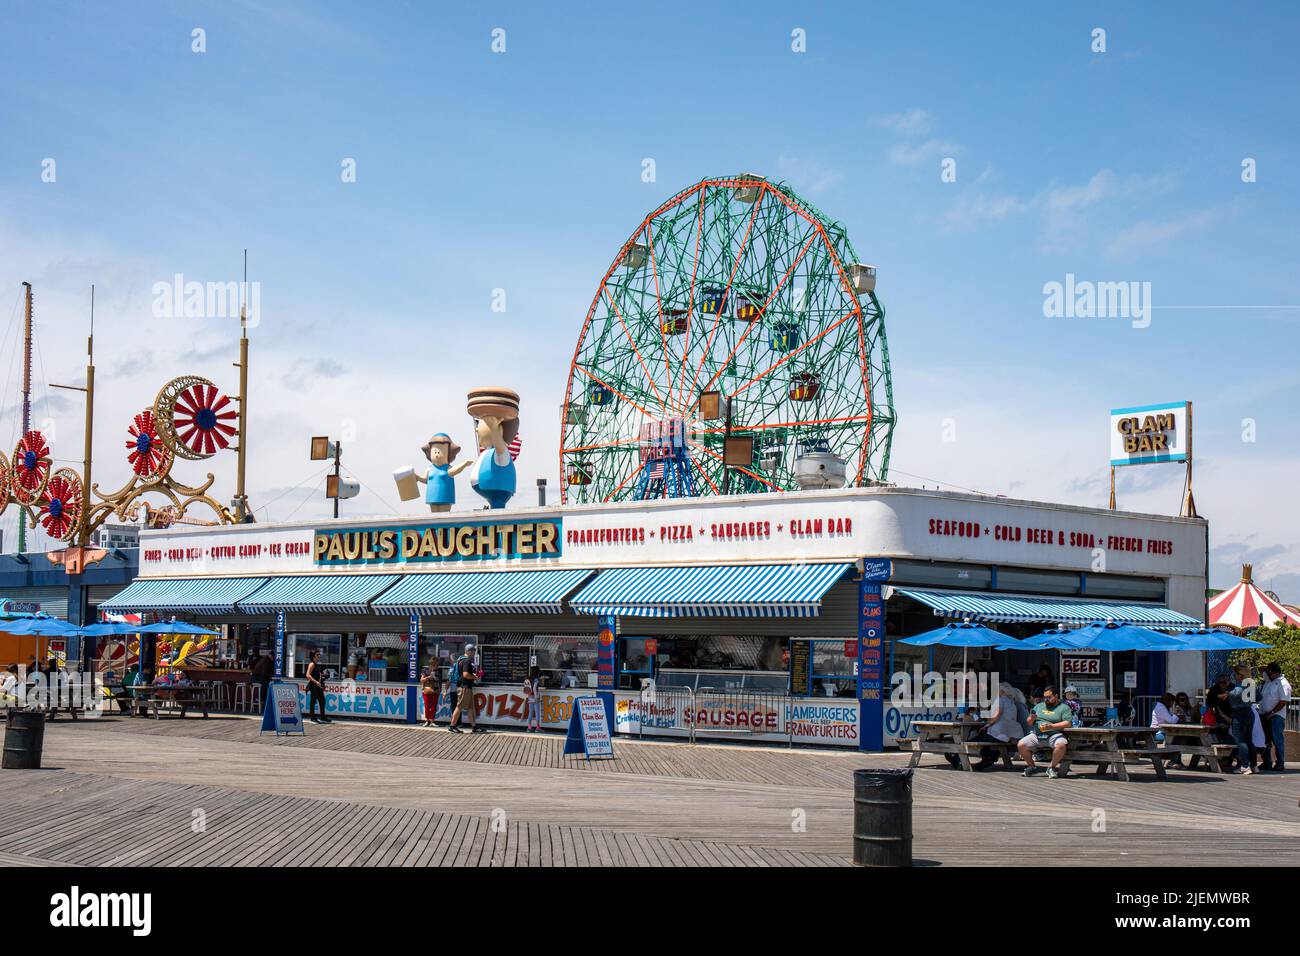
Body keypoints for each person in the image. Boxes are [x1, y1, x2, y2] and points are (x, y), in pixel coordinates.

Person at [1017, 685, 1073, 778]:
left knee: (1061, 746)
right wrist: (1031, 718)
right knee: (1021, 744)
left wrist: (1051, 726)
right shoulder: (1039, 706)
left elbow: (1068, 723)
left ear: (1056, 696)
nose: (1046, 699)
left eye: (1049, 697)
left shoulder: (1064, 707)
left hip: (1054, 734)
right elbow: (1029, 722)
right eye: (1045, 697)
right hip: (1037, 734)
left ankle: (1051, 767)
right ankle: (1031, 767)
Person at [968, 682, 1026, 770]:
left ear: (1002, 691)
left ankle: (958, 753)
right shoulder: (1011, 702)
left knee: (980, 736)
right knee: (985, 736)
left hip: (1000, 733)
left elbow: (997, 715)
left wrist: (987, 725)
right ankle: (988, 760)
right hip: (1008, 735)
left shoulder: (1000, 699)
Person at [1258, 663, 1291, 773]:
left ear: (1275, 673)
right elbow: (1260, 669)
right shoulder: (1269, 680)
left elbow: (1283, 701)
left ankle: (1280, 763)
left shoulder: (1283, 684)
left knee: (1277, 740)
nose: (1267, 674)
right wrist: (1267, 668)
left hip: (1276, 716)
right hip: (1264, 714)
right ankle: (1267, 762)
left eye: (1269, 672)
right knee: (1265, 740)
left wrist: (1272, 712)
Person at [1227, 666, 1257, 774]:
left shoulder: (1241, 685)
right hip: (1249, 712)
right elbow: (1259, 697)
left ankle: (1245, 765)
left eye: (1235, 674)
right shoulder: (1251, 684)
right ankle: (1254, 766)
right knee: (1249, 740)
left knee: (1241, 741)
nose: (1234, 676)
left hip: (1240, 714)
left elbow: (1236, 693)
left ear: (1240, 675)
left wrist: (1227, 693)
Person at [448, 644, 483, 733]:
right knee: (459, 706)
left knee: (470, 708)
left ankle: (474, 727)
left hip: (465, 687)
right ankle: (452, 726)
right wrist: (475, 677)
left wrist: (473, 676)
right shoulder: (466, 661)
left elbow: (464, 674)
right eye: (473, 651)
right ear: (468, 651)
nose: (473, 653)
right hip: (465, 687)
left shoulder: (460, 660)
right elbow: (465, 675)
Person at [305, 650, 331, 724]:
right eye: (317, 654)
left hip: (318, 685)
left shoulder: (316, 664)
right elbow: (308, 675)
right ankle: (313, 717)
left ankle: (323, 717)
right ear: (313, 656)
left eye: (319, 654)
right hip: (314, 685)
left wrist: (323, 676)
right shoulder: (312, 664)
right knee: (313, 701)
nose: (319, 655)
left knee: (322, 700)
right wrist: (316, 682)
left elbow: (317, 675)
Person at [523, 665, 542, 732]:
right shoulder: (536, 679)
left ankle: (529, 727)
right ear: (537, 672)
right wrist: (536, 696)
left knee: (530, 712)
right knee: (537, 712)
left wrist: (527, 696)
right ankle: (537, 727)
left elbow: (526, 689)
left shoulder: (527, 678)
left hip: (529, 697)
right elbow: (534, 688)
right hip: (535, 696)